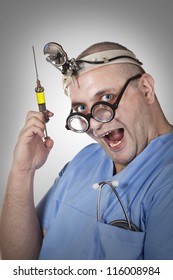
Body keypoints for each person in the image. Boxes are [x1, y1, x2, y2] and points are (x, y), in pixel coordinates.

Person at [0, 41, 173, 260]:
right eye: (81, 108)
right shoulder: (84, 161)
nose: (95, 124)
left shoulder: (166, 180)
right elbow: (19, 262)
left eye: (106, 98)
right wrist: (22, 170)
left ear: (146, 89)